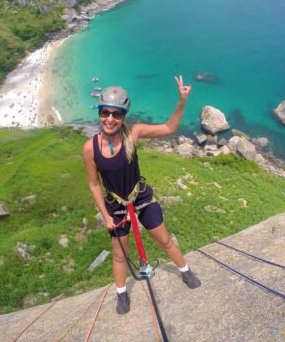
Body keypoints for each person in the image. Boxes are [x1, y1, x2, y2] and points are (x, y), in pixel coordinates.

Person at [82, 76, 201, 315]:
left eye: (116, 114)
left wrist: (182, 101)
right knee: (119, 254)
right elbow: (94, 185)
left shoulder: (133, 134)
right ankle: (121, 293)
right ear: (100, 113)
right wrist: (106, 217)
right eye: (105, 113)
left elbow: (169, 128)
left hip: (141, 197)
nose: (110, 119)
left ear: (124, 116)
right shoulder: (90, 148)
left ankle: (186, 270)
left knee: (164, 240)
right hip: (115, 206)